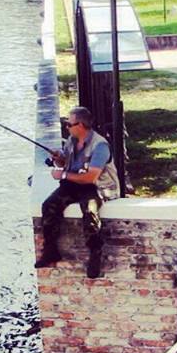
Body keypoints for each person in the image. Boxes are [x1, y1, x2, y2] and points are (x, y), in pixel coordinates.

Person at [35, 106, 120, 279]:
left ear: (80, 125)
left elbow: (91, 177)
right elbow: (68, 164)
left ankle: (95, 254)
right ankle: (50, 250)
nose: (66, 127)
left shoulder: (100, 146)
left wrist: (63, 174)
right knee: (49, 205)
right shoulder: (71, 141)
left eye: (69, 123)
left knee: (89, 211)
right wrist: (59, 160)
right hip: (74, 184)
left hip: (95, 186)